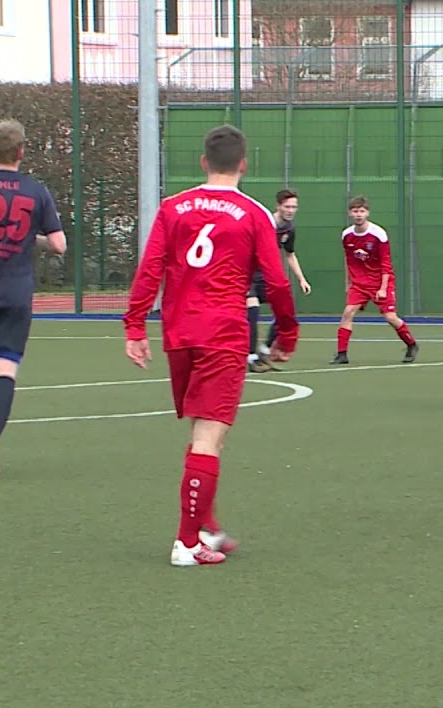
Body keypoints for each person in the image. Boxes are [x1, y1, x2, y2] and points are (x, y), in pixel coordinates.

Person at [123, 124, 301, 567]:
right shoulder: (253, 213)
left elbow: (150, 269)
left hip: (179, 333)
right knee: (209, 434)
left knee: (203, 431)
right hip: (222, 334)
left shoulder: (173, 207)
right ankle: (187, 543)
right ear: (243, 165)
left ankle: (206, 526)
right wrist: (287, 332)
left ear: (204, 162)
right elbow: (276, 281)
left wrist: (135, 326)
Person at [0, 119, 68, 479]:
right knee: (5, 368)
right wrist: (30, 238)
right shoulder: (37, 191)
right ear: (21, 152)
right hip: (16, 292)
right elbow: (59, 245)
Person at [332, 196, 418, 364]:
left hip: (380, 282)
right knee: (348, 313)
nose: (358, 215)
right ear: (350, 213)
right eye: (355, 211)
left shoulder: (378, 234)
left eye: (362, 211)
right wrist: (348, 283)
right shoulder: (346, 235)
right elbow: (348, 260)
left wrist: (383, 288)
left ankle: (411, 344)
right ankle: (342, 354)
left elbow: (386, 262)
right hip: (359, 283)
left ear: (367, 213)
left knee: (391, 318)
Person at [248, 188, 311, 372]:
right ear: (278, 206)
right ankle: (251, 358)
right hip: (250, 276)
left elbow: (290, 255)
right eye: (287, 207)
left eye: (294, 207)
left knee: (285, 310)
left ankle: (265, 351)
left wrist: (302, 279)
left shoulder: (289, 229)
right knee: (252, 311)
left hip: (268, 276)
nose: (291, 210)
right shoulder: (265, 223)